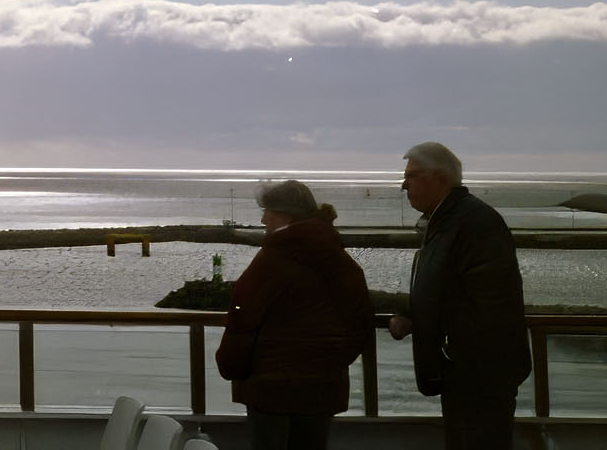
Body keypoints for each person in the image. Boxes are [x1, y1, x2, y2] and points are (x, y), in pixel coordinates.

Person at [388, 143, 531, 449]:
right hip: (468, 373)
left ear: (440, 178)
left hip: (478, 376)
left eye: (411, 176)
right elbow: (447, 288)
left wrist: (450, 350)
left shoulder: (472, 224)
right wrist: (414, 314)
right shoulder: (451, 221)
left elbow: (490, 304)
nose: (404, 185)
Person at [215, 179, 374, 450]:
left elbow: (242, 315)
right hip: (322, 389)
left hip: (271, 390)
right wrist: (332, 362)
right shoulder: (339, 259)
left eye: (266, 211)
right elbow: (361, 318)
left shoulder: (273, 258)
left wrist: (231, 366)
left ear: (284, 214)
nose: (263, 219)